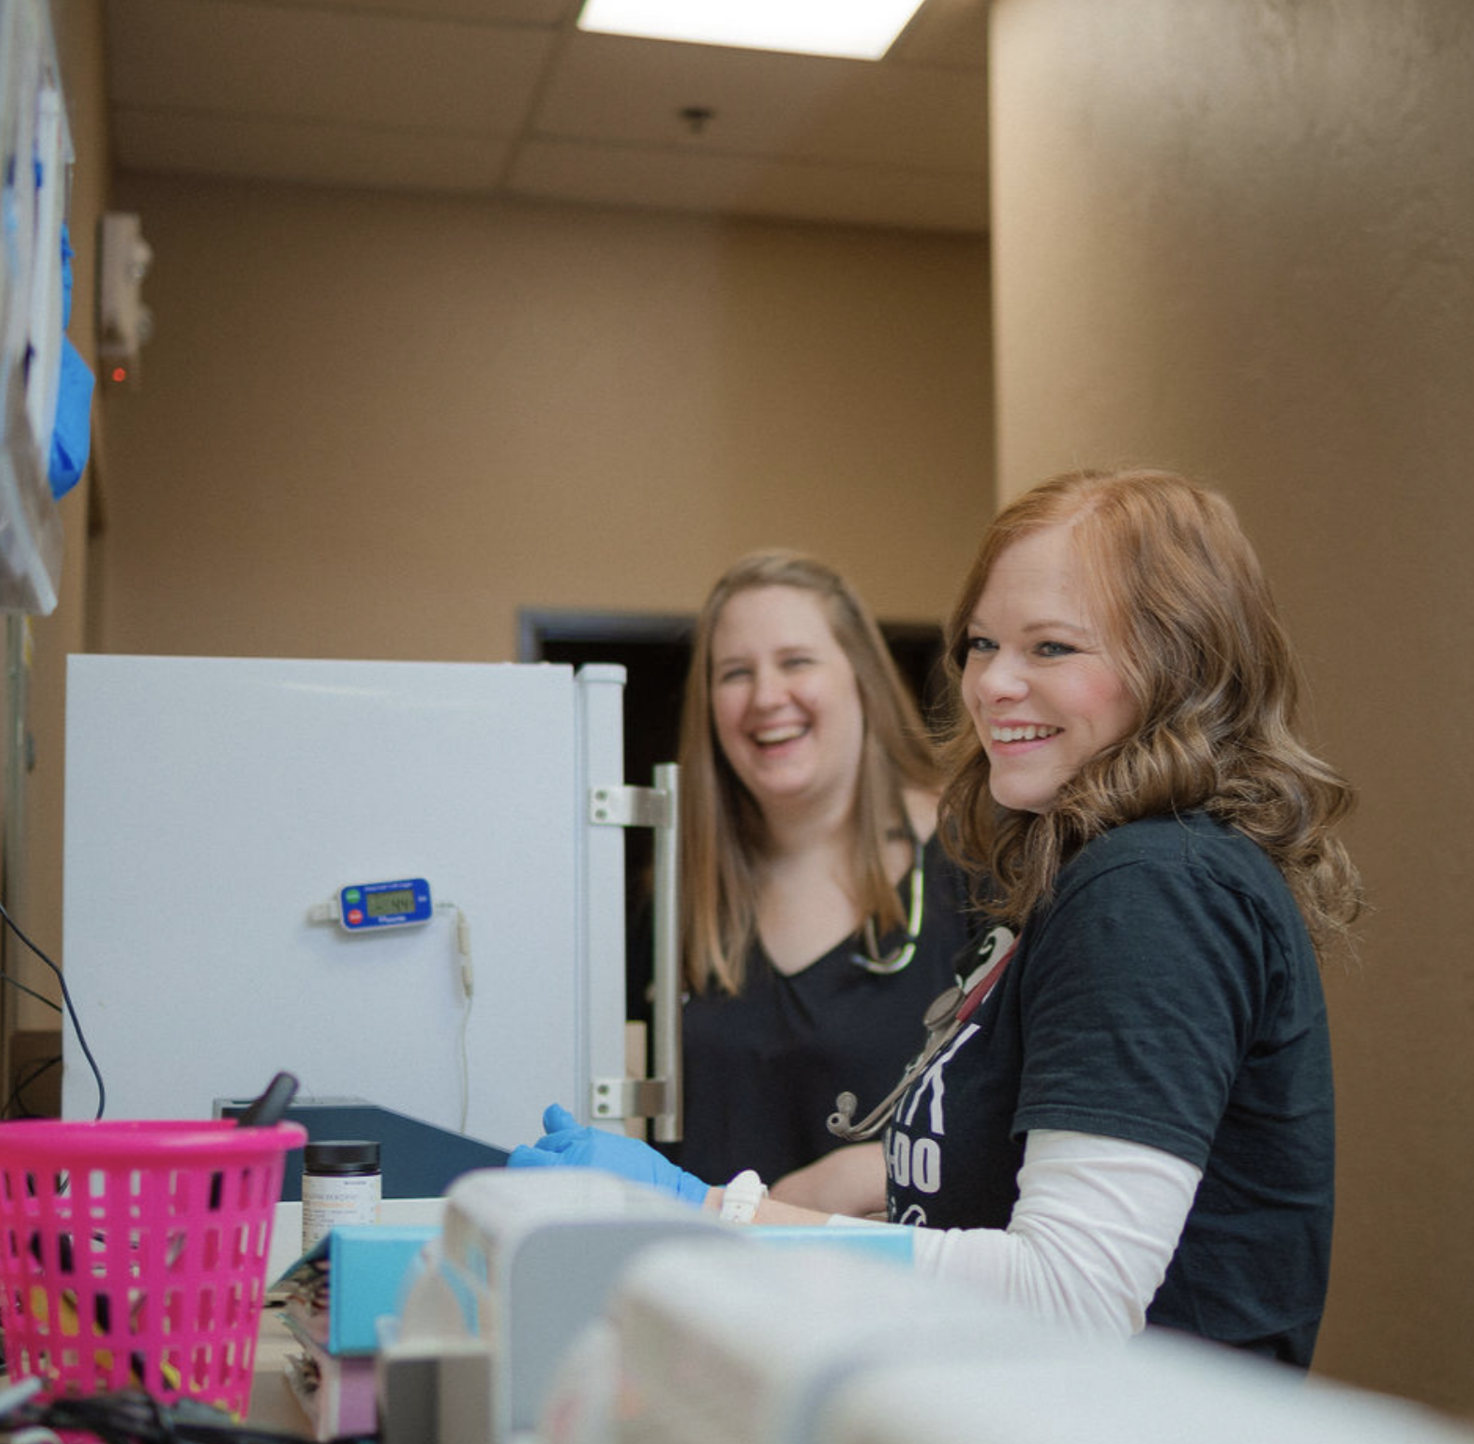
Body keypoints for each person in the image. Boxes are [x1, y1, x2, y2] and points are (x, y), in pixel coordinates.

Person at [516, 470, 1359, 1365]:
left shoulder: (1153, 887)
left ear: (1176, 665)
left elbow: (1068, 1295)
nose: (993, 682)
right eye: (984, 643)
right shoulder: (1080, 878)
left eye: (1052, 648)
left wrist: (713, 1216)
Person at [667, 550, 972, 1201]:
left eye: (796, 661)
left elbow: (1028, 1128)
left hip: (899, 1290)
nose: (766, 696)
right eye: (735, 673)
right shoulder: (675, 900)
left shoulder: (975, 863)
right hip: (702, 1289)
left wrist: (856, 1173)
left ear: (861, 675)